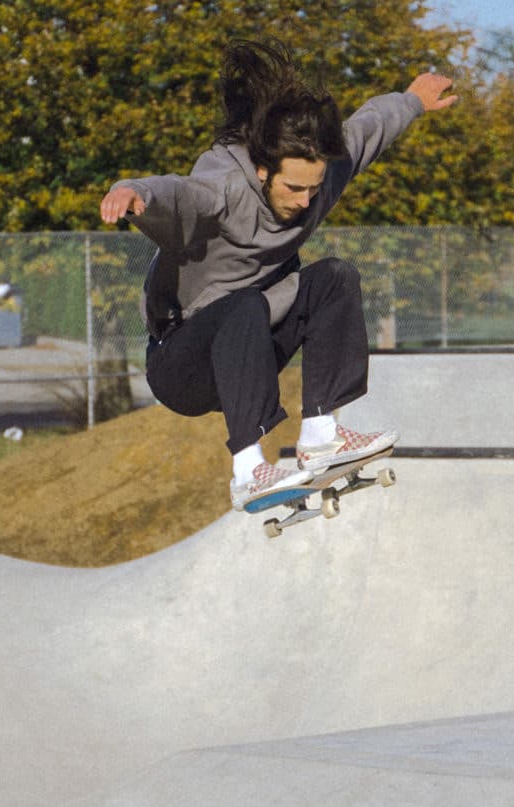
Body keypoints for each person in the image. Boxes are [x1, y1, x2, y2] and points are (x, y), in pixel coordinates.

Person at [100, 39, 459, 509]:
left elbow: (367, 130)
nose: (304, 202)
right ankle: (248, 469)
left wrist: (411, 100)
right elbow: (179, 193)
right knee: (246, 302)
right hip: (183, 362)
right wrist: (132, 190)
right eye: (293, 188)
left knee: (334, 276)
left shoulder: (316, 177)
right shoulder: (224, 187)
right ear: (264, 171)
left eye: (313, 189)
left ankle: (320, 434)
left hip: (251, 352)